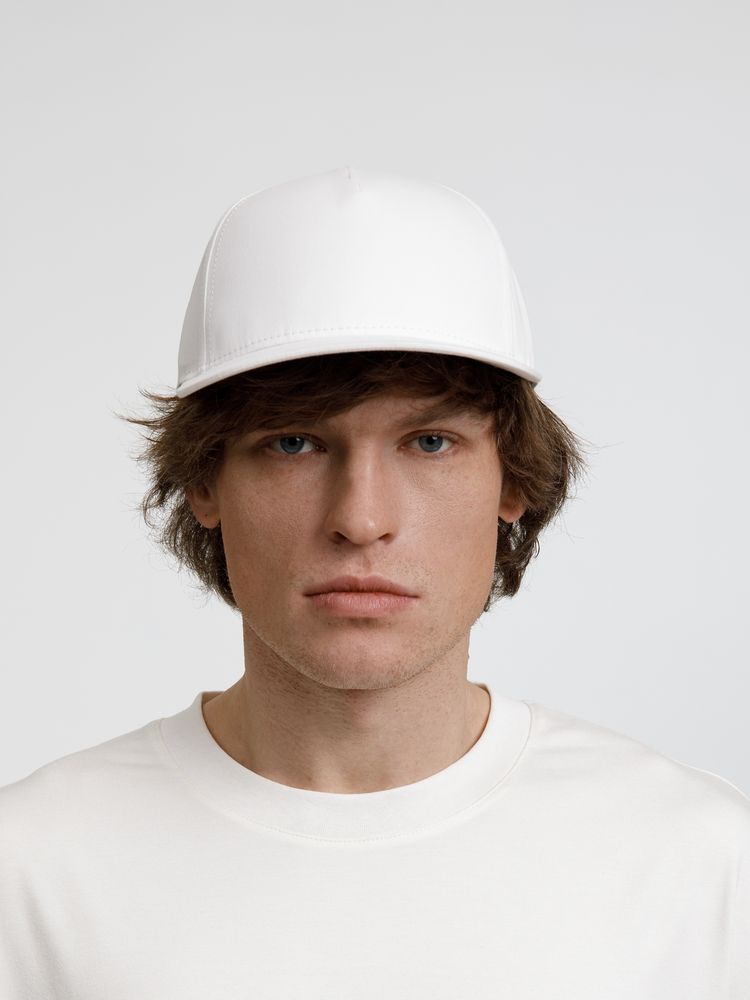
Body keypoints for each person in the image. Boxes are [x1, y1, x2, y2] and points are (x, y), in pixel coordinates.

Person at [1, 165, 747, 998]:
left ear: (512, 481)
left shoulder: (700, 864)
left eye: (429, 443)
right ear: (206, 481)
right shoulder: (30, 872)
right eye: (294, 443)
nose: (360, 519)